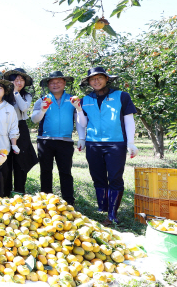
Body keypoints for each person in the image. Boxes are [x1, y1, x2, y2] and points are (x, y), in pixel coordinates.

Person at [77, 67, 138, 225]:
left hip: (115, 143)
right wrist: (82, 138)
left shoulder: (121, 96)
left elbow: (129, 119)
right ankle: (103, 207)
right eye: (92, 79)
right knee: (97, 177)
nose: (96, 81)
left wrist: (131, 142)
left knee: (115, 177)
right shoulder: (85, 100)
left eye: (99, 78)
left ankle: (112, 214)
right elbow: (82, 123)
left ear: (106, 79)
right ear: (89, 82)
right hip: (93, 144)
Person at [31, 71, 85, 206]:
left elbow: (79, 120)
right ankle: (46, 200)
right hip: (45, 140)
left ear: (64, 83)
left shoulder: (72, 99)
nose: (55, 84)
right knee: (45, 171)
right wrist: (42, 110)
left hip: (65, 142)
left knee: (65, 172)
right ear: (48, 85)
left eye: (58, 82)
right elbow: (34, 120)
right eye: (52, 82)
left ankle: (68, 201)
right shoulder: (42, 100)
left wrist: (81, 137)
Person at [3, 68, 38, 194]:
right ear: (10, 81)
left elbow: (24, 107)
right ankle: (5, 193)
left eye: (21, 80)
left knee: (20, 162)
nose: (19, 82)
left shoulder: (26, 95)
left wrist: (16, 92)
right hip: (5, 128)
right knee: (6, 161)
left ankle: (19, 192)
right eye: (16, 80)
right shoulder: (4, 94)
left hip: (21, 128)